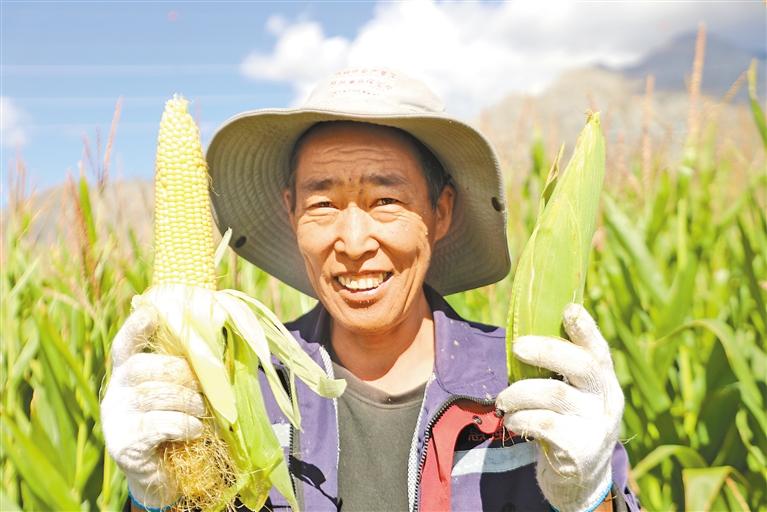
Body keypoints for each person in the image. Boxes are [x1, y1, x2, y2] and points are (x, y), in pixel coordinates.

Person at [101, 67, 640, 512]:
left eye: (386, 201)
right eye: (323, 204)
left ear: (441, 212)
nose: (354, 242)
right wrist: (154, 496)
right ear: (292, 213)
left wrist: (588, 496)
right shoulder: (242, 387)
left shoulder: (533, 386)